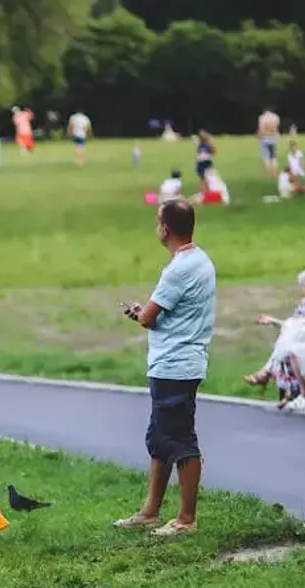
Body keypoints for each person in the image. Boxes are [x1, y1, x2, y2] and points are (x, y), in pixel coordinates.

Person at [117, 200, 216, 537]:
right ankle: (150, 511)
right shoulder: (200, 259)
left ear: (166, 229)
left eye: (158, 222)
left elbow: (149, 317)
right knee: (160, 437)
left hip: (175, 363)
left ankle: (186, 519)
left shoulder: (178, 269)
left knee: (180, 439)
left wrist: (137, 312)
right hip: (180, 360)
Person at [245, 269, 305, 409]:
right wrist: (273, 321)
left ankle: (273, 377)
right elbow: (293, 324)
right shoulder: (304, 303)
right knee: (288, 346)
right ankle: (292, 392)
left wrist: (277, 322)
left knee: (287, 345)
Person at [257, 108, 280, 176]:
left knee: (266, 157)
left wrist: (258, 137)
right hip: (273, 139)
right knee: (273, 157)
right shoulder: (275, 117)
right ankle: (275, 172)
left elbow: (261, 129)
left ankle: (269, 173)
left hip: (265, 139)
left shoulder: (262, 118)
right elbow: (276, 128)